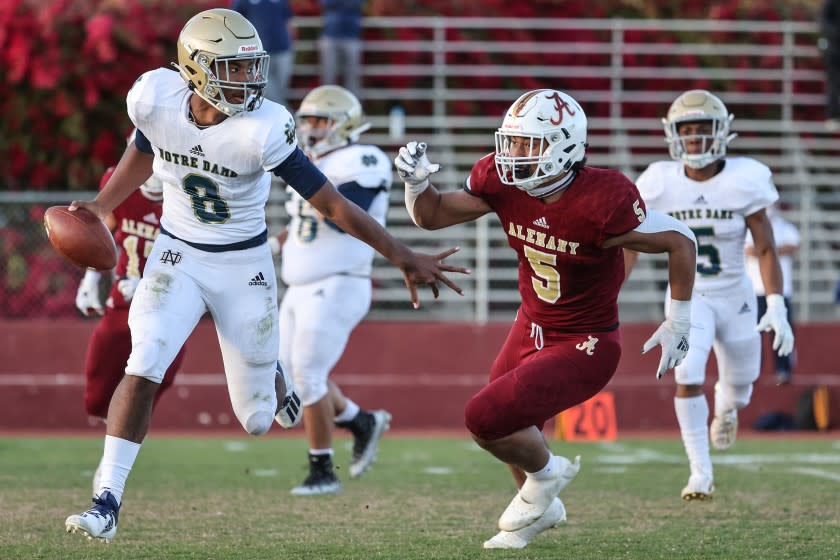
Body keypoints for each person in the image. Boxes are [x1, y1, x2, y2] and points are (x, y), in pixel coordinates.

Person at [64, 8, 466, 543]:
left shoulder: (263, 125)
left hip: (242, 264)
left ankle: (274, 377)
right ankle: (105, 500)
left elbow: (333, 204)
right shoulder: (154, 97)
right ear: (196, 70)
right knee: (147, 356)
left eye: (252, 66)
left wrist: (402, 254)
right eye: (233, 68)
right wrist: (102, 204)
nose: (249, 79)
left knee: (256, 417)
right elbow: (144, 147)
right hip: (177, 253)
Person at [395, 89, 697, 549]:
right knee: (501, 420)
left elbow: (680, 240)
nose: (512, 155)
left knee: (484, 416)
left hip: (586, 340)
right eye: (510, 142)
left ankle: (548, 476)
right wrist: (416, 185)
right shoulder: (503, 182)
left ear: (565, 146)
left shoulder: (603, 198)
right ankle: (542, 505)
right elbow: (433, 215)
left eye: (526, 145)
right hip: (530, 323)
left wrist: (679, 318)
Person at [625, 89, 795, 501]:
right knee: (687, 373)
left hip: (736, 295)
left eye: (704, 130)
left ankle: (728, 409)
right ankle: (700, 472)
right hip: (688, 295)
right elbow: (628, 240)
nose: (696, 139)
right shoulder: (658, 182)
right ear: (674, 135)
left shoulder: (745, 177)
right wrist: (609, 288)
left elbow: (767, 246)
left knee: (742, 385)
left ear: (721, 133)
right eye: (688, 130)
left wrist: (775, 303)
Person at [271, 85, 391, 495]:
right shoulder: (314, 160)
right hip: (299, 286)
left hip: (340, 282)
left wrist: (306, 175)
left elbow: (342, 215)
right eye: (307, 120)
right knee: (289, 376)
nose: (312, 128)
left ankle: (322, 471)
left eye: (321, 120)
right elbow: (304, 217)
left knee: (306, 375)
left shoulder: (364, 158)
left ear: (346, 125)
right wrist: (276, 242)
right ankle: (361, 421)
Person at [74, 166, 187, 494]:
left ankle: (112, 465)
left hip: (170, 305)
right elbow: (103, 231)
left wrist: (154, 285)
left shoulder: (186, 195)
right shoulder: (118, 182)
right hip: (121, 302)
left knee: (154, 379)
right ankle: (114, 436)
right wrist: (91, 277)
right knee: (97, 395)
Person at [745, 203, 800, 385]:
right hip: (756, 290)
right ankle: (754, 371)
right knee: (755, 335)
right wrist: (772, 250)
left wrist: (767, 250)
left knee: (782, 332)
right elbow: (749, 250)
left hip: (781, 291)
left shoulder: (785, 227)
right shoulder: (750, 228)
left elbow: (793, 246)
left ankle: (783, 370)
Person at [230, 0, 294, 105]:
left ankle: (279, 114)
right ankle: (285, 113)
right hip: (258, 54)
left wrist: (291, 44)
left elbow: (288, 21)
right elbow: (234, 21)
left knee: (281, 90)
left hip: (283, 49)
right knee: (268, 90)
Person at [319, 0, 364, 96]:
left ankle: (353, 108)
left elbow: (358, 3)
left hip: (352, 37)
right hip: (330, 36)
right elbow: (325, 3)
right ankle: (327, 107)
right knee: (328, 77)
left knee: (352, 77)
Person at [818, 0, 840, 129]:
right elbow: (823, 21)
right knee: (833, 83)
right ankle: (833, 116)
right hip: (834, 50)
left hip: (833, 48)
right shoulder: (831, 3)